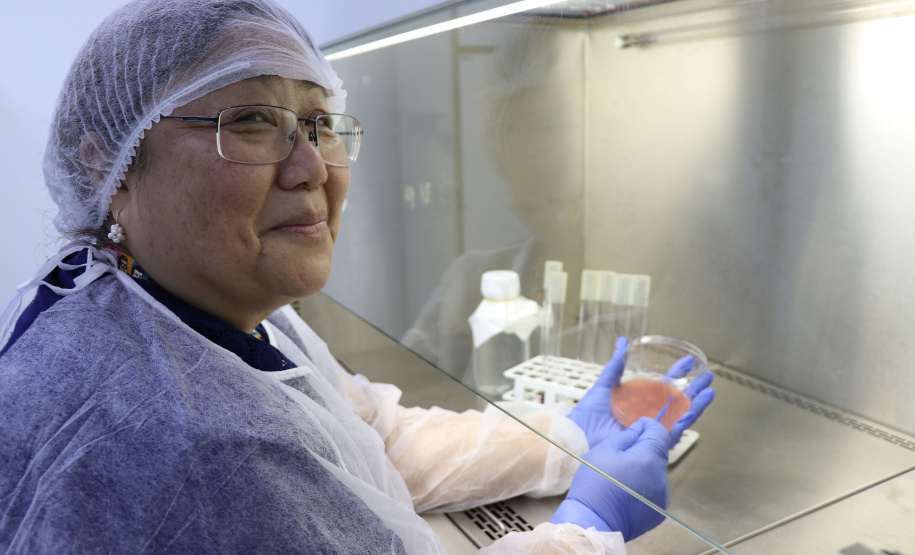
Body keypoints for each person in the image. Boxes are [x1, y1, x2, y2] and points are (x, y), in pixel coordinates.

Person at [0, 0, 714, 552]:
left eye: (319, 123)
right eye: (251, 120)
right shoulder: (201, 449)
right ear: (109, 164)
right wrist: (590, 527)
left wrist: (564, 437)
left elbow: (370, 439)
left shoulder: (176, 302)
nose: (311, 166)